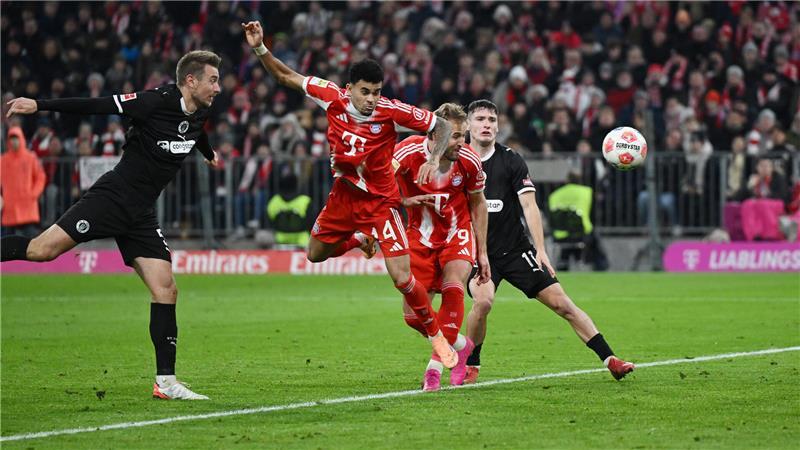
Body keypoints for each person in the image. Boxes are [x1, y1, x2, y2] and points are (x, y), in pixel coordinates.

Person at [2, 50, 223, 400]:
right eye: (213, 80)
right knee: (40, 250)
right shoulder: (154, 101)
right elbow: (97, 104)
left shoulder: (202, 110)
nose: (218, 87)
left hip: (141, 214)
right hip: (113, 197)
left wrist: (208, 154)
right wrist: (40, 105)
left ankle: (166, 383)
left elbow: (197, 132)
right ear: (191, 81)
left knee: (166, 289)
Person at [242, 21, 459, 367]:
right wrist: (259, 48)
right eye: (365, 92)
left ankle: (436, 338)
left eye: (376, 91)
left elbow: (442, 125)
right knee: (314, 254)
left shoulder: (392, 110)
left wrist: (433, 159)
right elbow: (286, 76)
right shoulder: (330, 97)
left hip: (381, 204)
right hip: (343, 199)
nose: (372, 99)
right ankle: (359, 240)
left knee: (402, 278)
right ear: (349, 89)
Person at [463, 100, 634, 383]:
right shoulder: (459, 161)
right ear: (468, 124)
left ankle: (610, 359)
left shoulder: (511, 160)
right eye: (480, 119)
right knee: (483, 302)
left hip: (516, 250)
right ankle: (472, 363)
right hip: (478, 253)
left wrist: (540, 250)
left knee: (563, 304)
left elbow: (530, 206)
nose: (487, 125)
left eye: (492, 120)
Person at [394, 103, 490, 391]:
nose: (460, 142)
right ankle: (462, 344)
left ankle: (435, 367)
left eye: (462, 135)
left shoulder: (470, 161)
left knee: (453, 286)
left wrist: (482, 252)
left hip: (456, 233)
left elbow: (478, 202)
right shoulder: (407, 153)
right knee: (413, 317)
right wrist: (402, 201)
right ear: (434, 134)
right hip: (419, 238)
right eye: (454, 135)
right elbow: (380, 185)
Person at [0, 126, 47, 237]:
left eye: (16, 138)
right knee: (8, 243)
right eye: (11, 138)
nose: (14, 141)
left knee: (30, 241)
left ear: (21, 139)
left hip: (27, 206)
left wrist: (33, 194)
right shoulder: (3, 160)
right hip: (10, 207)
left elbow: (40, 177)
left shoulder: (31, 157)